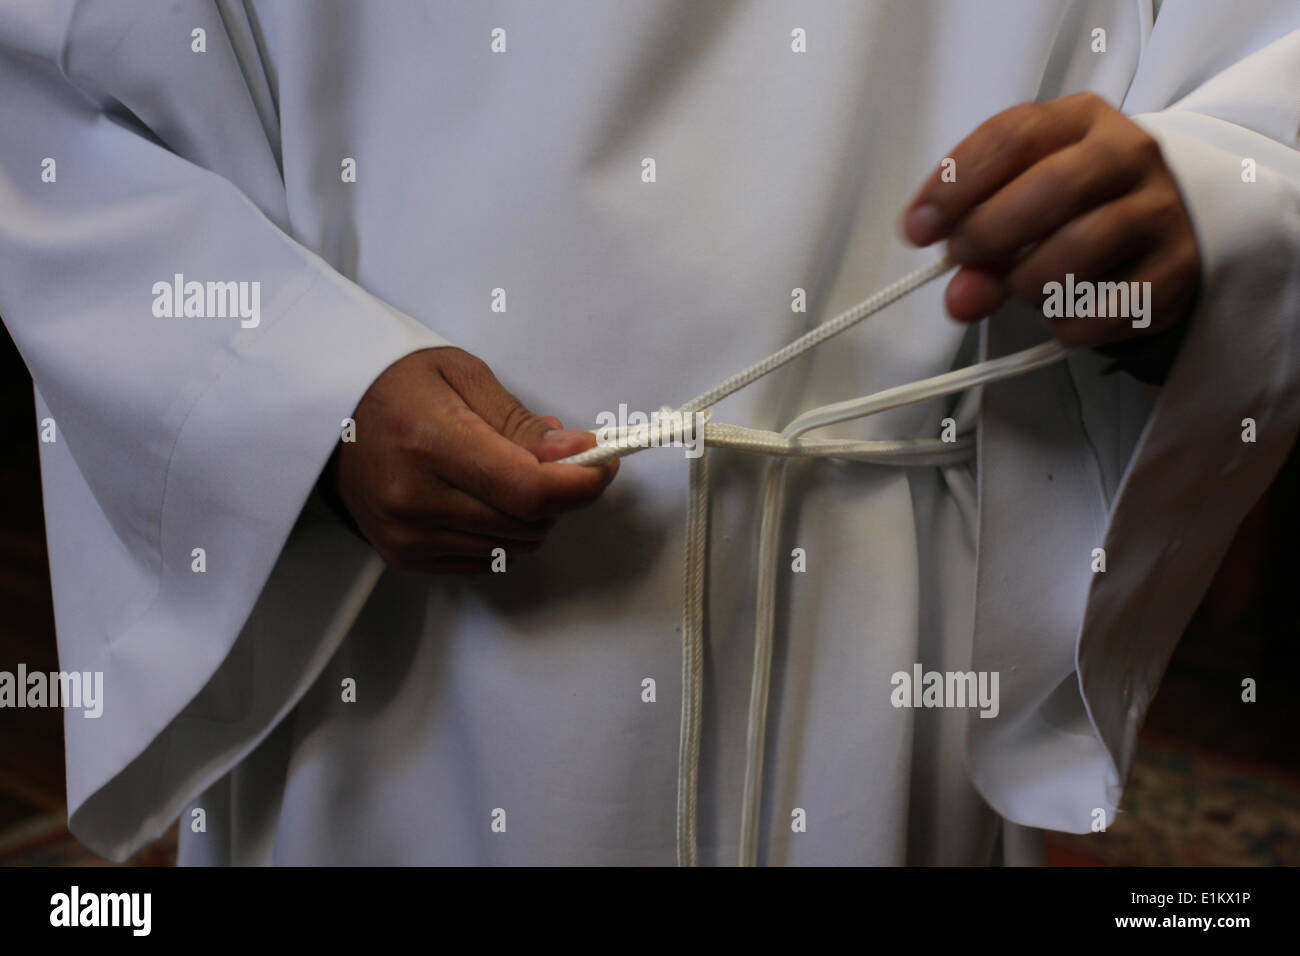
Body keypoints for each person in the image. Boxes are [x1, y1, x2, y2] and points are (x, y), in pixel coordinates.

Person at [1, 0, 1296, 865]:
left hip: (885, 607)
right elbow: (47, 111)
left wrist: (1201, 204)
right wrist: (301, 387)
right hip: (404, 616)